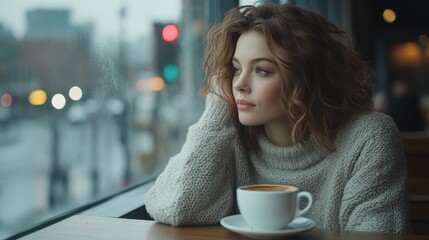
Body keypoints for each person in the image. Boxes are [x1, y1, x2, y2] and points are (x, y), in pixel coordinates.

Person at [145, 3, 410, 233]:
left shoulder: (369, 139)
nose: (239, 84)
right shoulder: (228, 136)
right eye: (236, 69)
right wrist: (216, 110)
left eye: (261, 70)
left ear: (306, 78)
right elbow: (176, 208)